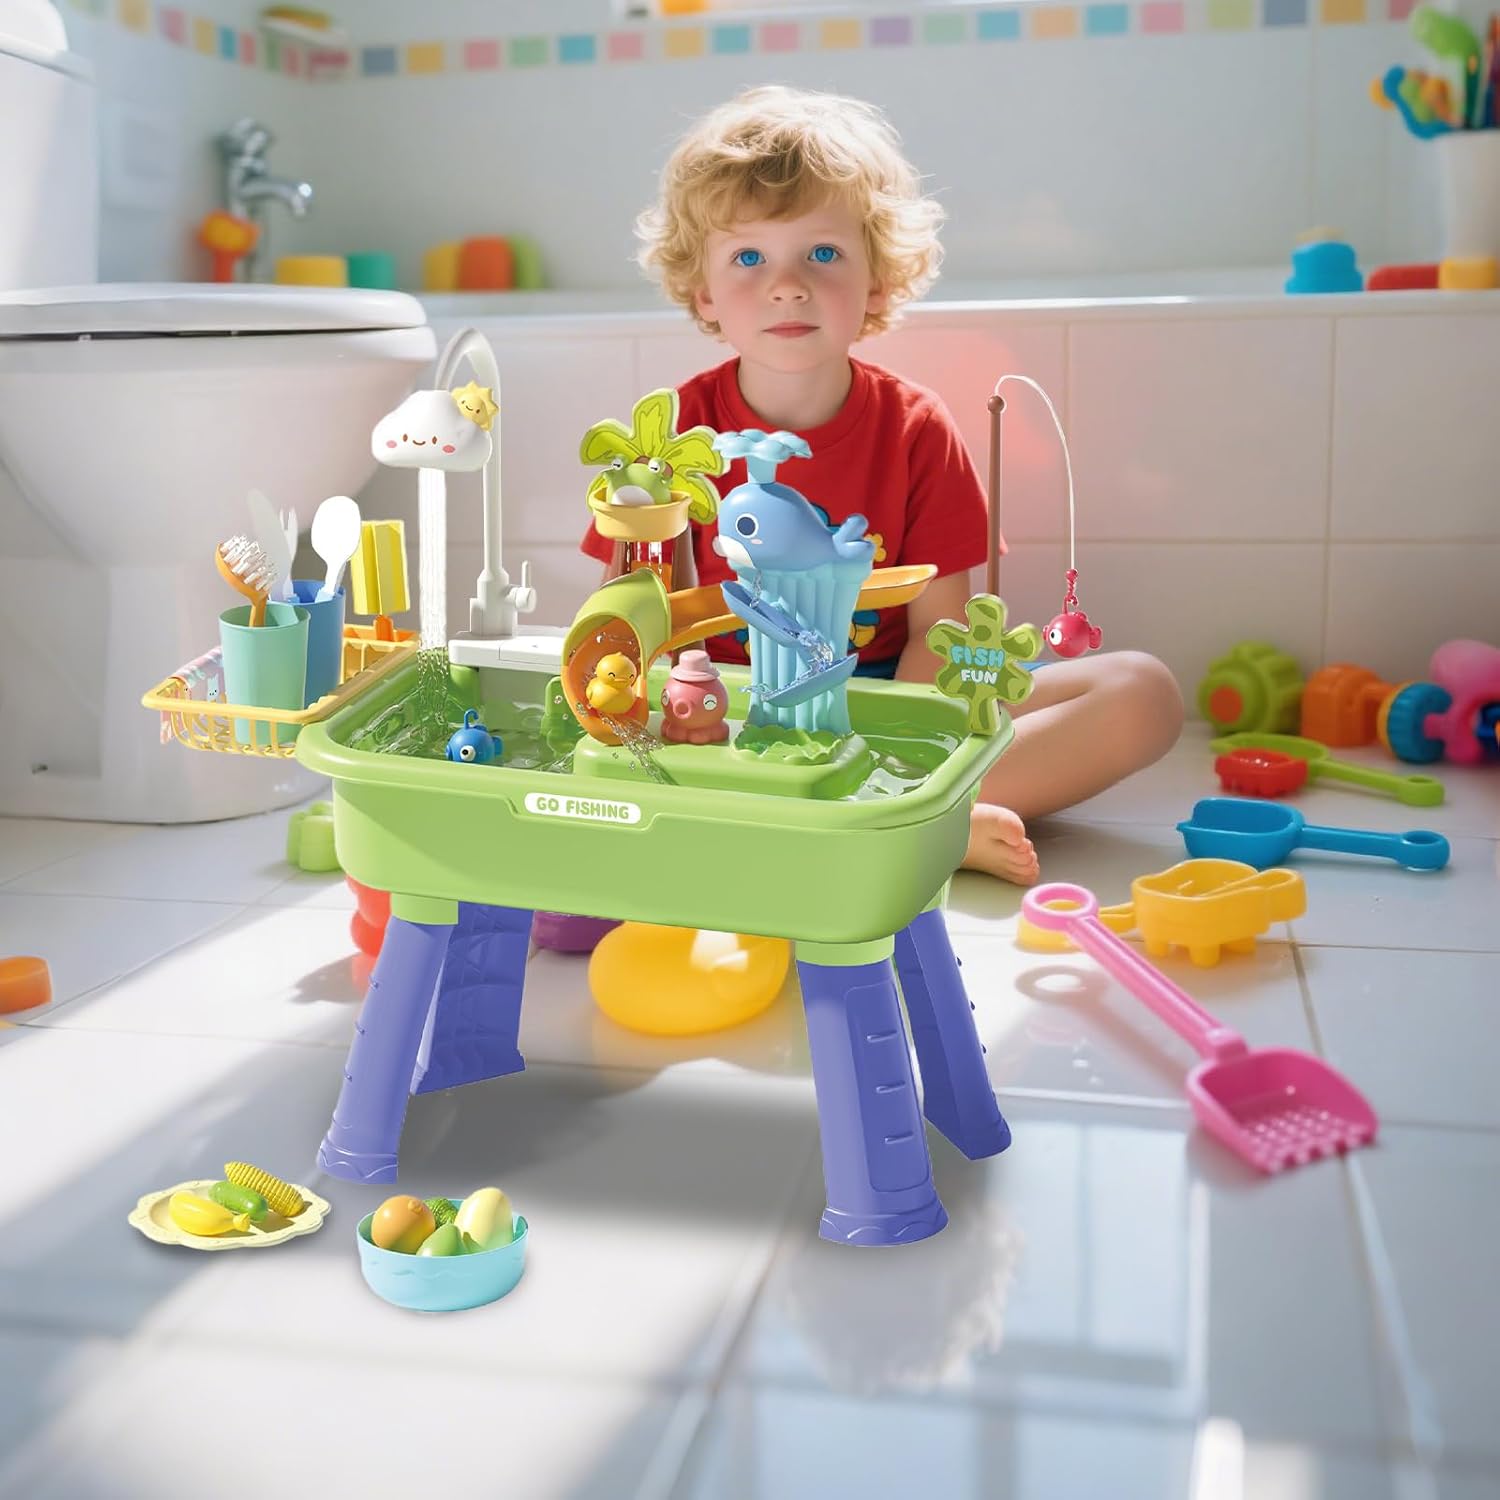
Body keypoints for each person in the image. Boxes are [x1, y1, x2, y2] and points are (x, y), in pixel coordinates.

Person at [581, 85, 1182, 884]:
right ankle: (915, 823)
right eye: (749, 258)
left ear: (876, 283)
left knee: (1144, 692)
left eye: (822, 254)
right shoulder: (674, 434)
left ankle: (892, 813)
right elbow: (623, 622)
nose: (787, 285)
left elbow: (939, 631)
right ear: (704, 294)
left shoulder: (916, 428)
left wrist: (900, 747)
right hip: (726, 711)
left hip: (886, 698)